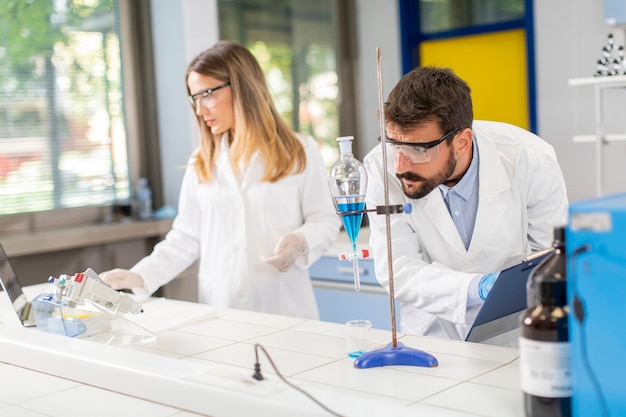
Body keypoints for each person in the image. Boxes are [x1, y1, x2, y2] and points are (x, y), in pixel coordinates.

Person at [101, 40, 340, 319]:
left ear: (241, 86)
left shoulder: (299, 151)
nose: (200, 110)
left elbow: (324, 220)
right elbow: (186, 237)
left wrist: (300, 240)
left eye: (207, 95)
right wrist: (139, 275)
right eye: (195, 98)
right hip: (222, 312)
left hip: (284, 310)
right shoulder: (201, 162)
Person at [364, 66, 568, 340]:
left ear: (461, 142)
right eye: (394, 144)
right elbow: (397, 267)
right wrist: (475, 288)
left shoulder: (530, 159)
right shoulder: (381, 167)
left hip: (514, 334)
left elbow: (548, 259)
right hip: (432, 337)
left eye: (417, 150)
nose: (400, 165)